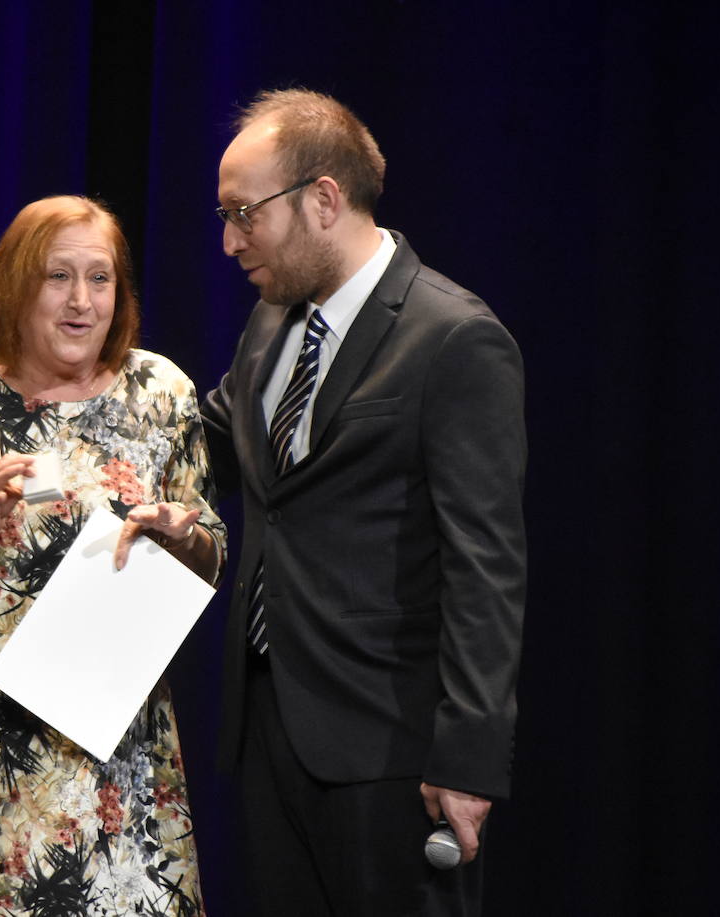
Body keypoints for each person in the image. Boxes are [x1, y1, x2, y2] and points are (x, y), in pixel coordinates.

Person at [205, 88, 526, 915]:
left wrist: (468, 757)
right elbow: (210, 437)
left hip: (394, 751)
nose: (230, 241)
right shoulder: (272, 319)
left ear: (322, 199)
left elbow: (485, 567)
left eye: (244, 214)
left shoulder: (454, 338)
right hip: (274, 730)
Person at [0, 195, 225, 915]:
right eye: (56, 277)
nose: (80, 301)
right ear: (14, 286)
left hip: (119, 755)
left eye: (99, 279)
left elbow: (212, 552)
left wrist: (182, 534)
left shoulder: (161, 392)